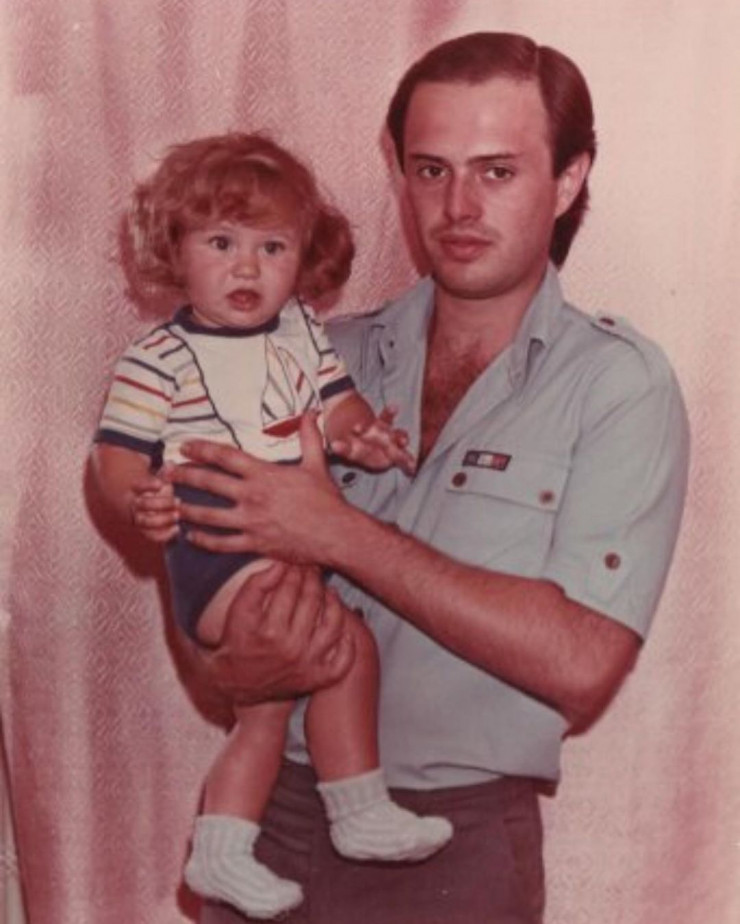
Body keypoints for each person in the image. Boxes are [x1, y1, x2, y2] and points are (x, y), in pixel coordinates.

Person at [169, 33, 690, 924]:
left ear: (568, 179)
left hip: (455, 846)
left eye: (497, 172)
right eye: (430, 170)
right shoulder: (313, 358)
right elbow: (201, 580)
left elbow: (581, 664)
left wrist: (335, 531)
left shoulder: (618, 385)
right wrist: (223, 662)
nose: (457, 206)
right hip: (265, 824)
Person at [90, 133, 453, 922]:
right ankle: (352, 810)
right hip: (216, 546)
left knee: (283, 695)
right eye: (222, 244)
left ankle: (234, 847)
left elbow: (338, 404)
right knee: (332, 650)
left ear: (304, 257)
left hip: (290, 540)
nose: (247, 268)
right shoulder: (158, 357)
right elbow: (114, 458)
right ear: (174, 251)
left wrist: (362, 435)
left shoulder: (300, 333)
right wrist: (138, 497)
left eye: (272, 247)